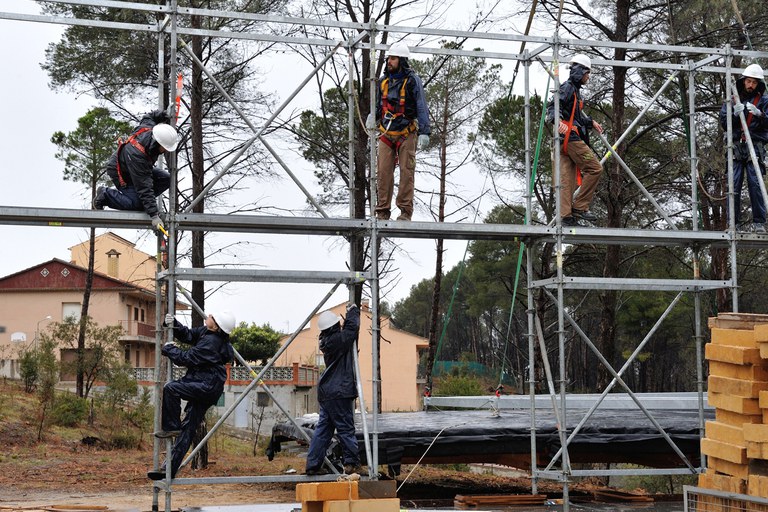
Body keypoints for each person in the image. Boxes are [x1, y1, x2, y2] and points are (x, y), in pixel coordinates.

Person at [147, 311, 235, 481]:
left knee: (171, 388)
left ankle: (172, 426)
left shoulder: (212, 343)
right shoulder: (205, 332)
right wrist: (173, 324)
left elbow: (186, 358)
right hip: (202, 383)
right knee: (188, 429)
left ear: (216, 326)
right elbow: (187, 335)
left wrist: (169, 349)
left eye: (212, 317)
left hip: (206, 386)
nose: (208, 315)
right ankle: (168, 470)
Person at [368, 42, 430, 222]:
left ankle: (405, 212)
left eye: (393, 58)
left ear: (401, 60)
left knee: (406, 172)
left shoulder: (412, 80)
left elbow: (421, 104)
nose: (389, 61)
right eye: (389, 58)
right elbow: (380, 103)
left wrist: (425, 131)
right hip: (386, 133)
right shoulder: (384, 82)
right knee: (383, 173)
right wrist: (373, 115)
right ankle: (382, 212)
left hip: (406, 132)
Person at [93, 109, 179, 234]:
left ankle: (145, 204)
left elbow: (149, 116)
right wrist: (154, 215)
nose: (165, 151)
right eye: (164, 148)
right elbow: (144, 187)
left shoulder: (149, 128)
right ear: (157, 143)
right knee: (136, 203)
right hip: (120, 171)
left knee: (165, 178)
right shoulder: (139, 157)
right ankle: (105, 195)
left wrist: (164, 114)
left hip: (131, 167)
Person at [546, 54, 604, 227]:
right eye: (587, 73)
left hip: (565, 141)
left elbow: (575, 116)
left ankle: (566, 217)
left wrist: (589, 121)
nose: (588, 76)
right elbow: (553, 106)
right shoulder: (568, 88)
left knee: (566, 180)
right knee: (595, 168)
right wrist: (557, 120)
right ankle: (580, 207)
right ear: (579, 72)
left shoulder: (574, 91)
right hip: (570, 139)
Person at [305, 303, 362, 475]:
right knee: (345, 428)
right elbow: (352, 329)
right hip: (339, 391)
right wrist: (353, 311)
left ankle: (313, 465)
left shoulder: (328, 341)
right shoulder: (338, 340)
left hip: (328, 392)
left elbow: (346, 332)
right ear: (334, 327)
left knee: (324, 430)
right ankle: (351, 463)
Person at [719, 63, 768, 234]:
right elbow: (724, 123)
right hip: (736, 145)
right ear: (743, 81)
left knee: (755, 183)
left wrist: (760, 114)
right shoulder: (732, 99)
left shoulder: (763, 101)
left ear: (758, 84)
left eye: (754, 83)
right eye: (748, 81)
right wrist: (733, 113)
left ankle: (759, 223)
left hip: (755, 145)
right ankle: (733, 222)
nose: (751, 85)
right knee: (734, 184)